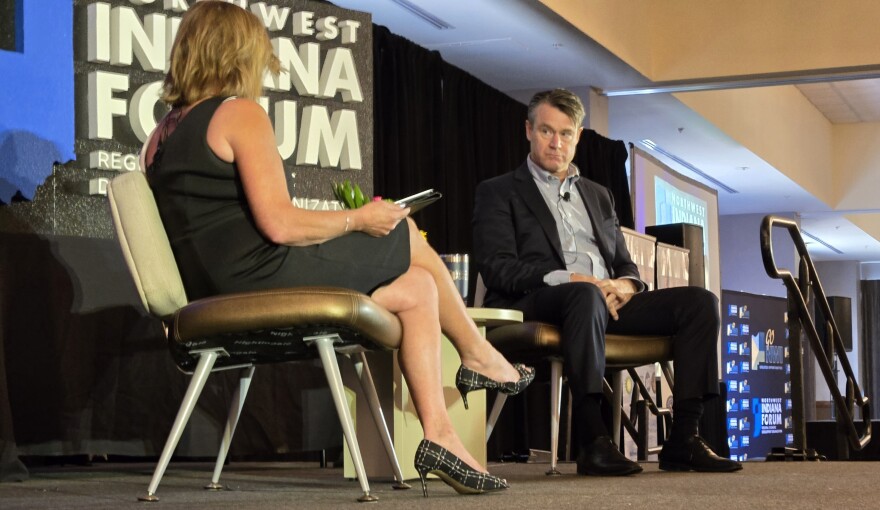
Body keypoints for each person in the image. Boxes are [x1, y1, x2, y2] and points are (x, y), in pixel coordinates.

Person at [143, 1, 532, 496]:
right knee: (401, 232)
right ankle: (476, 353)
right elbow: (281, 225)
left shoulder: (158, 137)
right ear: (238, 55)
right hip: (257, 280)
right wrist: (358, 218)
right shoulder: (238, 114)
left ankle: (440, 437)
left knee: (416, 288)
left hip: (212, 293)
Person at [472, 88, 742, 476]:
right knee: (584, 294)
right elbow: (497, 268)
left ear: (578, 136)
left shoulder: (598, 196)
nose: (556, 142)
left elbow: (625, 265)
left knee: (700, 302)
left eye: (566, 134)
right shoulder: (498, 191)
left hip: (605, 303)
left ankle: (684, 438)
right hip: (539, 300)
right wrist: (571, 278)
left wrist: (625, 287)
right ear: (528, 130)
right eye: (547, 131)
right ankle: (593, 440)